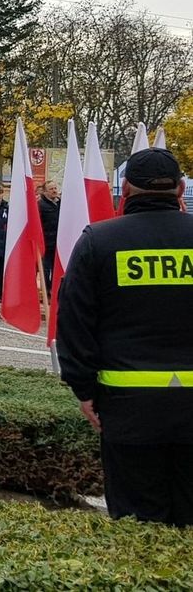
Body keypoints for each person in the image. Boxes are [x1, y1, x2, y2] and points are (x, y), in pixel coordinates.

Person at [57, 148, 193, 527]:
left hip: (128, 409)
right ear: (181, 188)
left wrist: (83, 390)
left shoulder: (99, 242)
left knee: (139, 530)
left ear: (126, 190)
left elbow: (74, 324)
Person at [38, 180, 61, 289]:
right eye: (51, 189)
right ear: (45, 192)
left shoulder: (61, 203)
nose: (54, 191)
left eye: (55, 188)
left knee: (56, 268)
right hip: (46, 242)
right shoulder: (40, 205)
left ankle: (54, 289)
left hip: (59, 242)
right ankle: (46, 289)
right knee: (45, 269)